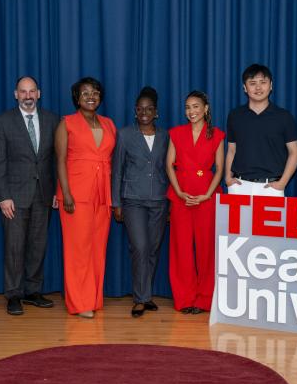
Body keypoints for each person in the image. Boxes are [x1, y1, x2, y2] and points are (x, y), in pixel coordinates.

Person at [0, 76, 59, 315]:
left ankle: (32, 291)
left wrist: (57, 190)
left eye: (32, 91)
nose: (28, 96)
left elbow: (57, 159)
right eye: (23, 91)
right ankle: (13, 294)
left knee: (38, 246)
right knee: (14, 247)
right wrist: (3, 195)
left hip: (44, 195)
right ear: (15, 94)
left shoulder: (52, 120)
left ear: (38, 94)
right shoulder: (3, 121)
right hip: (14, 197)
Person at [56, 77, 116, 319]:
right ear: (76, 98)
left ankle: (93, 297)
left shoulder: (109, 124)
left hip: (103, 195)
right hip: (76, 195)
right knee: (77, 249)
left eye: (95, 92)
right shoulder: (66, 123)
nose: (90, 96)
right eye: (85, 93)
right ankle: (79, 303)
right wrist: (66, 193)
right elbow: (60, 160)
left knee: (97, 249)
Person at [111, 87, 169, 318]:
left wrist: (171, 204)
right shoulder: (125, 134)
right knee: (140, 247)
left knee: (153, 249)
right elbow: (116, 171)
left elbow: (169, 169)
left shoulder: (165, 136)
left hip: (159, 200)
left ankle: (147, 296)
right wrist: (116, 202)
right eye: (140, 109)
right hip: (132, 199)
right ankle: (139, 298)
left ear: (156, 112)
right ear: (135, 112)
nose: (144, 112)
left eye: (149, 108)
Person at [166, 91, 225, 314]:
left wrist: (208, 194)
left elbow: (219, 168)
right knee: (181, 248)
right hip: (181, 196)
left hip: (206, 197)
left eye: (196, 106)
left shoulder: (217, 135)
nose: (191, 111)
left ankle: (204, 299)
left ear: (206, 109)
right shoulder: (176, 133)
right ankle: (184, 298)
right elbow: (169, 164)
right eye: (188, 107)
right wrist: (179, 192)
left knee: (206, 250)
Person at [225, 63, 297, 196]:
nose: (258, 87)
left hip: (271, 188)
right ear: (245, 88)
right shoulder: (235, 115)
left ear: (270, 86)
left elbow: (294, 152)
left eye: (263, 82)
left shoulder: (284, 116)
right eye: (252, 83)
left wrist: (282, 182)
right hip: (239, 186)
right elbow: (231, 149)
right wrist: (228, 178)